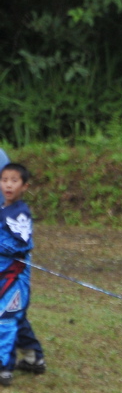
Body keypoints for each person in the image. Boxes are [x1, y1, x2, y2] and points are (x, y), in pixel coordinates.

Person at [0, 149, 46, 376]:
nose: (8, 184)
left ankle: (5, 365)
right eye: (4, 180)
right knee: (9, 312)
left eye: (13, 181)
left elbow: (22, 243)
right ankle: (32, 356)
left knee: (8, 313)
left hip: (13, 269)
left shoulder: (17, 212)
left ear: (23, 185)